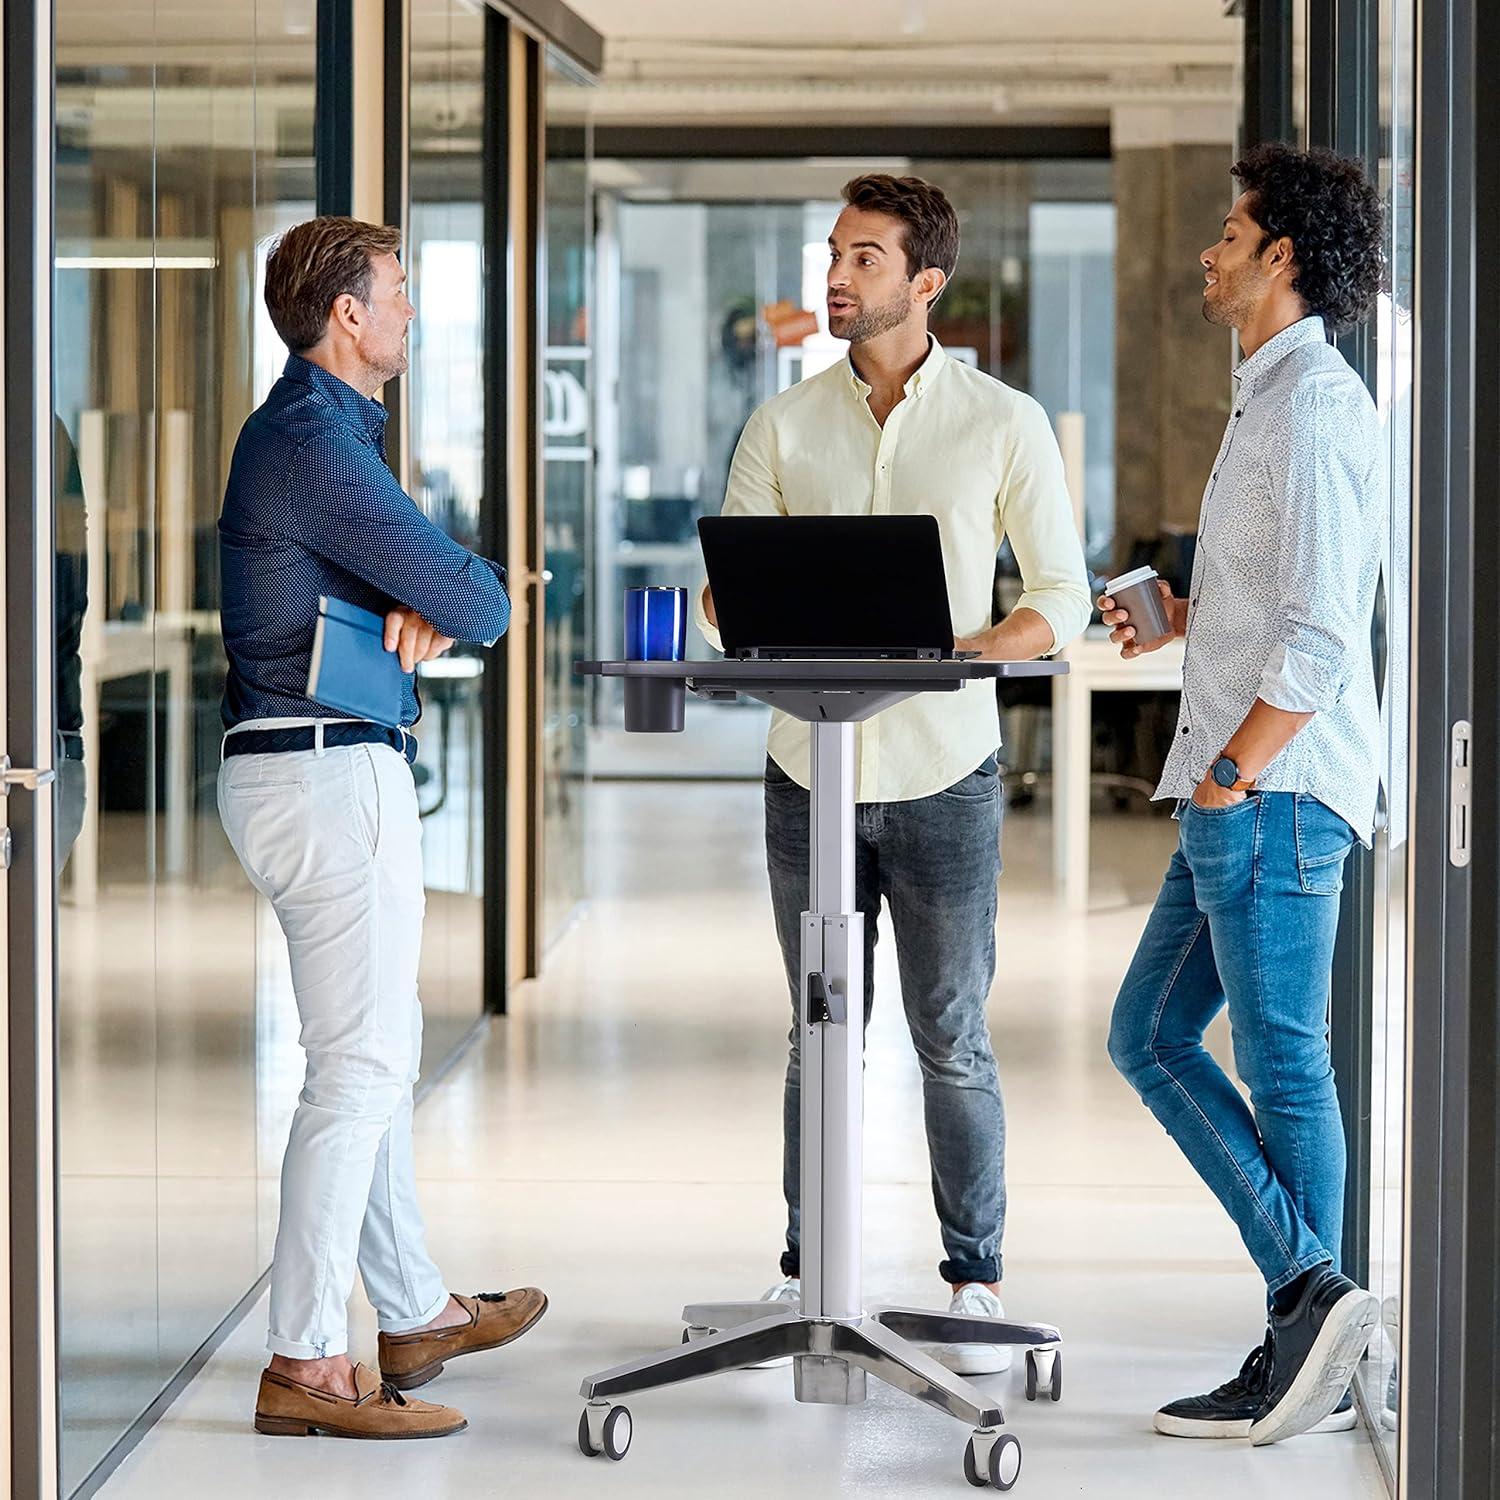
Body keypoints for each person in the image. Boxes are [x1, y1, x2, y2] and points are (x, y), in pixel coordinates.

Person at [695, 174, 1091, 1371]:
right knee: (817, 1027)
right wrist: (741, 617)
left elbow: (1059, 604)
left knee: (950, 1032)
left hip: (942, 773)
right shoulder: (782, 425)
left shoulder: (1003, 421)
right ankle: (806, 1270)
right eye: (835, 253)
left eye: (865, 258)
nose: (837, 275)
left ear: (926, 283)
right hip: (802, 770)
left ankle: (974, 1280)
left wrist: (956, 649)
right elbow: (725, 598)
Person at [218, 216, 545, 1440]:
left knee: (376, 1052)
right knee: (355, 1072)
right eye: (399, 292)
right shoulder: (311, 440)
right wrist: (445, 599)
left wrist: (432, 598)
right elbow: (477, 595)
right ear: (346, 315)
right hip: (320, 772)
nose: (411, 310)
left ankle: (412, 1310)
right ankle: (303, 1363)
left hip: (317, 766)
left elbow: (443, 593)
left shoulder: (331, 436)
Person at [1102, 143, 1386, 1445]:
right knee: (1148, 1036)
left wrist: (1232, 772)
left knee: (1284, 1068)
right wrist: (1184, 617)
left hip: (1267, 789)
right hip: (1234, 780)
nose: (1209, 251)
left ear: (1282, 255)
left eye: (1230, 231)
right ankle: (1313, 1312)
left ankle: (1308, 1325)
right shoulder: (1267, 397)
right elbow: (1277, 600)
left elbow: (1324, 634)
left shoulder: (1317, 404)